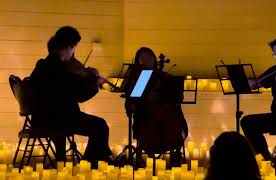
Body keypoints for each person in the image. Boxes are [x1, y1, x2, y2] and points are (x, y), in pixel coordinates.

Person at [29, 26, 112, 167]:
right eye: (74, 48)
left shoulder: (43, 65)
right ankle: (91, 164)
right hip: (59, 118)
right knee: (100, 126)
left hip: (41, 118)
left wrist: (86, 77)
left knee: (98, 125)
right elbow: (79, 96)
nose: (74, 53)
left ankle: (96, 160)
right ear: (68, 46)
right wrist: (94, 82)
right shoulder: (59, 69)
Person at [123, 47, 188, 165]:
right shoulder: (141, 79)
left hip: (165, 116)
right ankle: (154, 148)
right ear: (139, 63)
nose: (147, 62)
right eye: (143, 60)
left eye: (149, 59)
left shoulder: (164, 77)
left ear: (154, 60)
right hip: (147, 118)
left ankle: (174, 146)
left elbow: (177, 98)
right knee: (152, 118)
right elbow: (133, 101)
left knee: (171, 116)